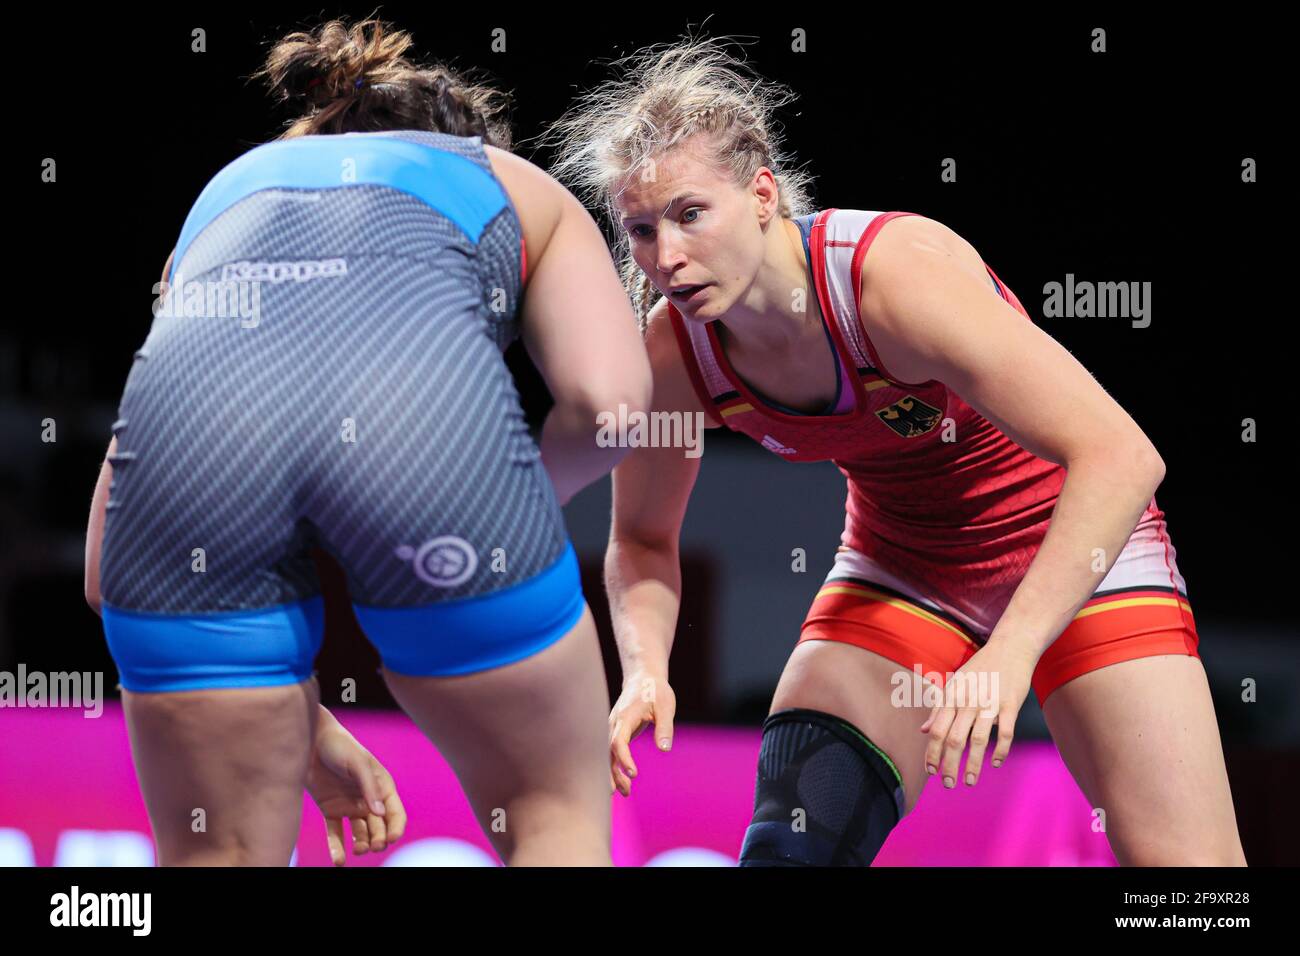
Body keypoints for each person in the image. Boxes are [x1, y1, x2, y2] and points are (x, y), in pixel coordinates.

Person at [545, 37, 1246, 866]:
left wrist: (1010, 654)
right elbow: (642, 539)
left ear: (763, 193)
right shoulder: (675, 354)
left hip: (1082, 545)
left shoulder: (892, 279)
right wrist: (646, 670)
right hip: (903, 563)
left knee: (1191, 887)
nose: (667, 257)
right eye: (641, 230)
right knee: (793, 848)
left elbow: (1123, 456)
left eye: (691, 214)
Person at [83, 18, 650, 866]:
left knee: (217, 854)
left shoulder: (225, 196)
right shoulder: (507, 179)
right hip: (424, 441)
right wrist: (522, 508)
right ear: (466, 140)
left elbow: (103, 571)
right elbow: (612, 412)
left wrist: (295, 717)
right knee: (549, 813)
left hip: (193, 470)